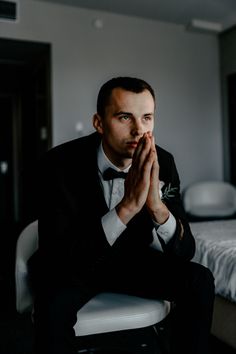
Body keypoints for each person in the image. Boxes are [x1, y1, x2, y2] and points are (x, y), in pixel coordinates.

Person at [30, 76, 215, 354]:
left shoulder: (163, 162)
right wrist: (126, 208)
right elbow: (58, 254)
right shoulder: (58, 164)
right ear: (99, 123)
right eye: (124, 117)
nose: (138, 129)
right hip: (74, 262)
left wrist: (157, 208)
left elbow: (185, 249)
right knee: (51, 306)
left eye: (147, 118)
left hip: (133, 261)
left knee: (199, 280)